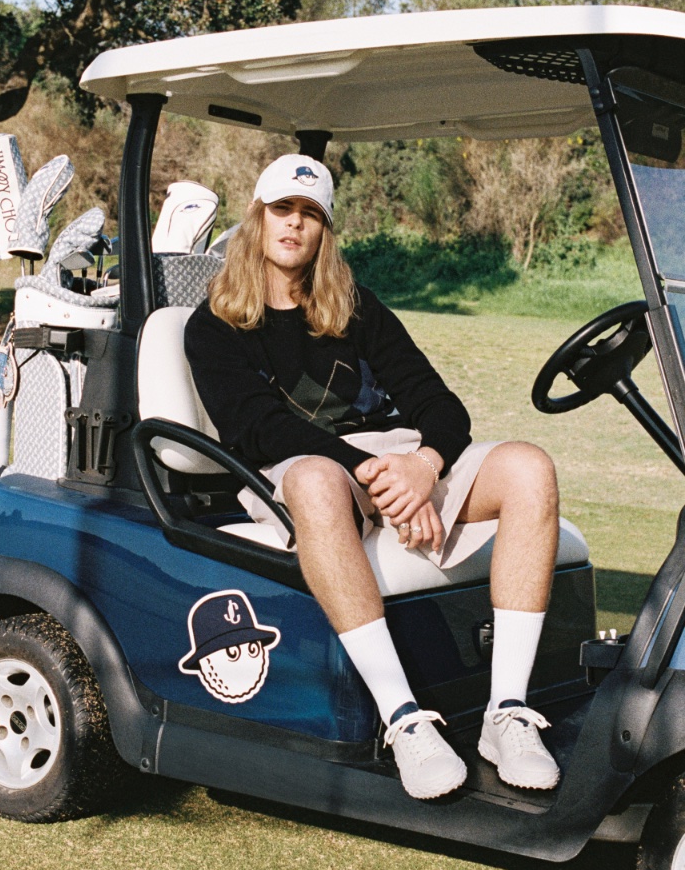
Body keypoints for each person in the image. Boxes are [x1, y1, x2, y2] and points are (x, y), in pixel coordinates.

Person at [184, 154, 561, 800]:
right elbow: (260, 428)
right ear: (257, 218)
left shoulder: (357, 307)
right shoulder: (214, 325)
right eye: (283, 209)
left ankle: (506, 713)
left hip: (395, 457)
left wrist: (423, 465)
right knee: (315, 481)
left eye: (310, 214)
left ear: (324, 230)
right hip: (301, 466)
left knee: (529, 467)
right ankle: (404, 719)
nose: (295, 224)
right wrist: (375, 474)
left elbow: (436, 403)